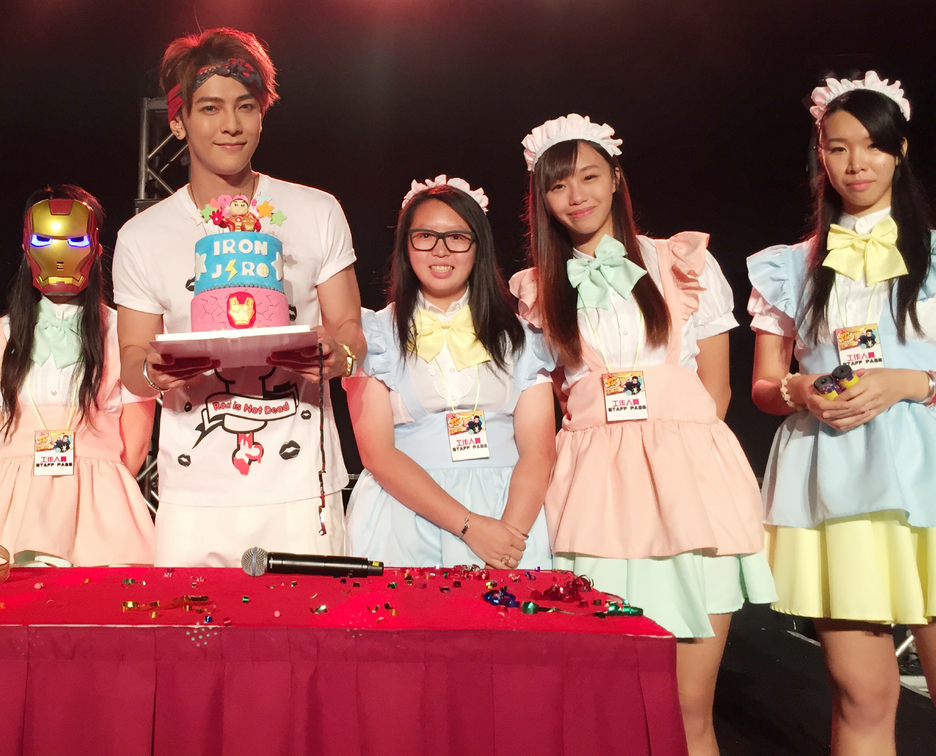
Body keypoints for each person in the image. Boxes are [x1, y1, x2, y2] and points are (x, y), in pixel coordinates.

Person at [512, 114, 774, 756]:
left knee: (688, 706)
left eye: (589, 177)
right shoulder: (535, 289)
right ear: (542, 199)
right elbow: (547, 400)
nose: (576, 195)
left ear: (616, 179)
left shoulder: (681, 261)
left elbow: (717, 392)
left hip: (687, 487)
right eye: (558, 185)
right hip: (593, 496)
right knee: (605, 707)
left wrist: (676, 458)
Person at [113, 28, 366, 566]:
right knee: (189, 623)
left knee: (309, 622)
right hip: (193, 493)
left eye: (245, 106)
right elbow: (132, 364)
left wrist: (338, 356)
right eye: (210, 108)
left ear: (261, 115)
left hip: (303, 486)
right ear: (178, 121)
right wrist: (154, 371)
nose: (231, 124)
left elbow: (350, 332)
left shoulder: (317, 211)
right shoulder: (142, 236)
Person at [749, 72, 936, 752]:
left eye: (872, 145)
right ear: (821, 157)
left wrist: (910, 382)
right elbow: (765, 385)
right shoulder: (789, 266)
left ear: (900, 151)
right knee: (863, 694)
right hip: (835, 481)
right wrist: (801, 391)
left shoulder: (934, 253)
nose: (856, 163)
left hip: (928, 478)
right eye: (838, 147)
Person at [343, 175, 556, 570]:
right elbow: (376, 453)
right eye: (425, 236)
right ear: (406, 246)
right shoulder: (374, 334)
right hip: (408, 520)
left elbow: (539, 451)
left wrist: (508, 538)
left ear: (478, 247)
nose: (441, 250)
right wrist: (470, 527)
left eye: (457, 237)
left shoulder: (523, 336)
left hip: (509, 519)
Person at [0, 185, 156, 565]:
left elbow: (136, 444)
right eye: (43, 239)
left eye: (75, 240)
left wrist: (96, 485)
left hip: (101, 507)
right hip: (9, 506)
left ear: (96, 247)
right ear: (26, 246)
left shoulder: (123, 335)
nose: (60, 253)